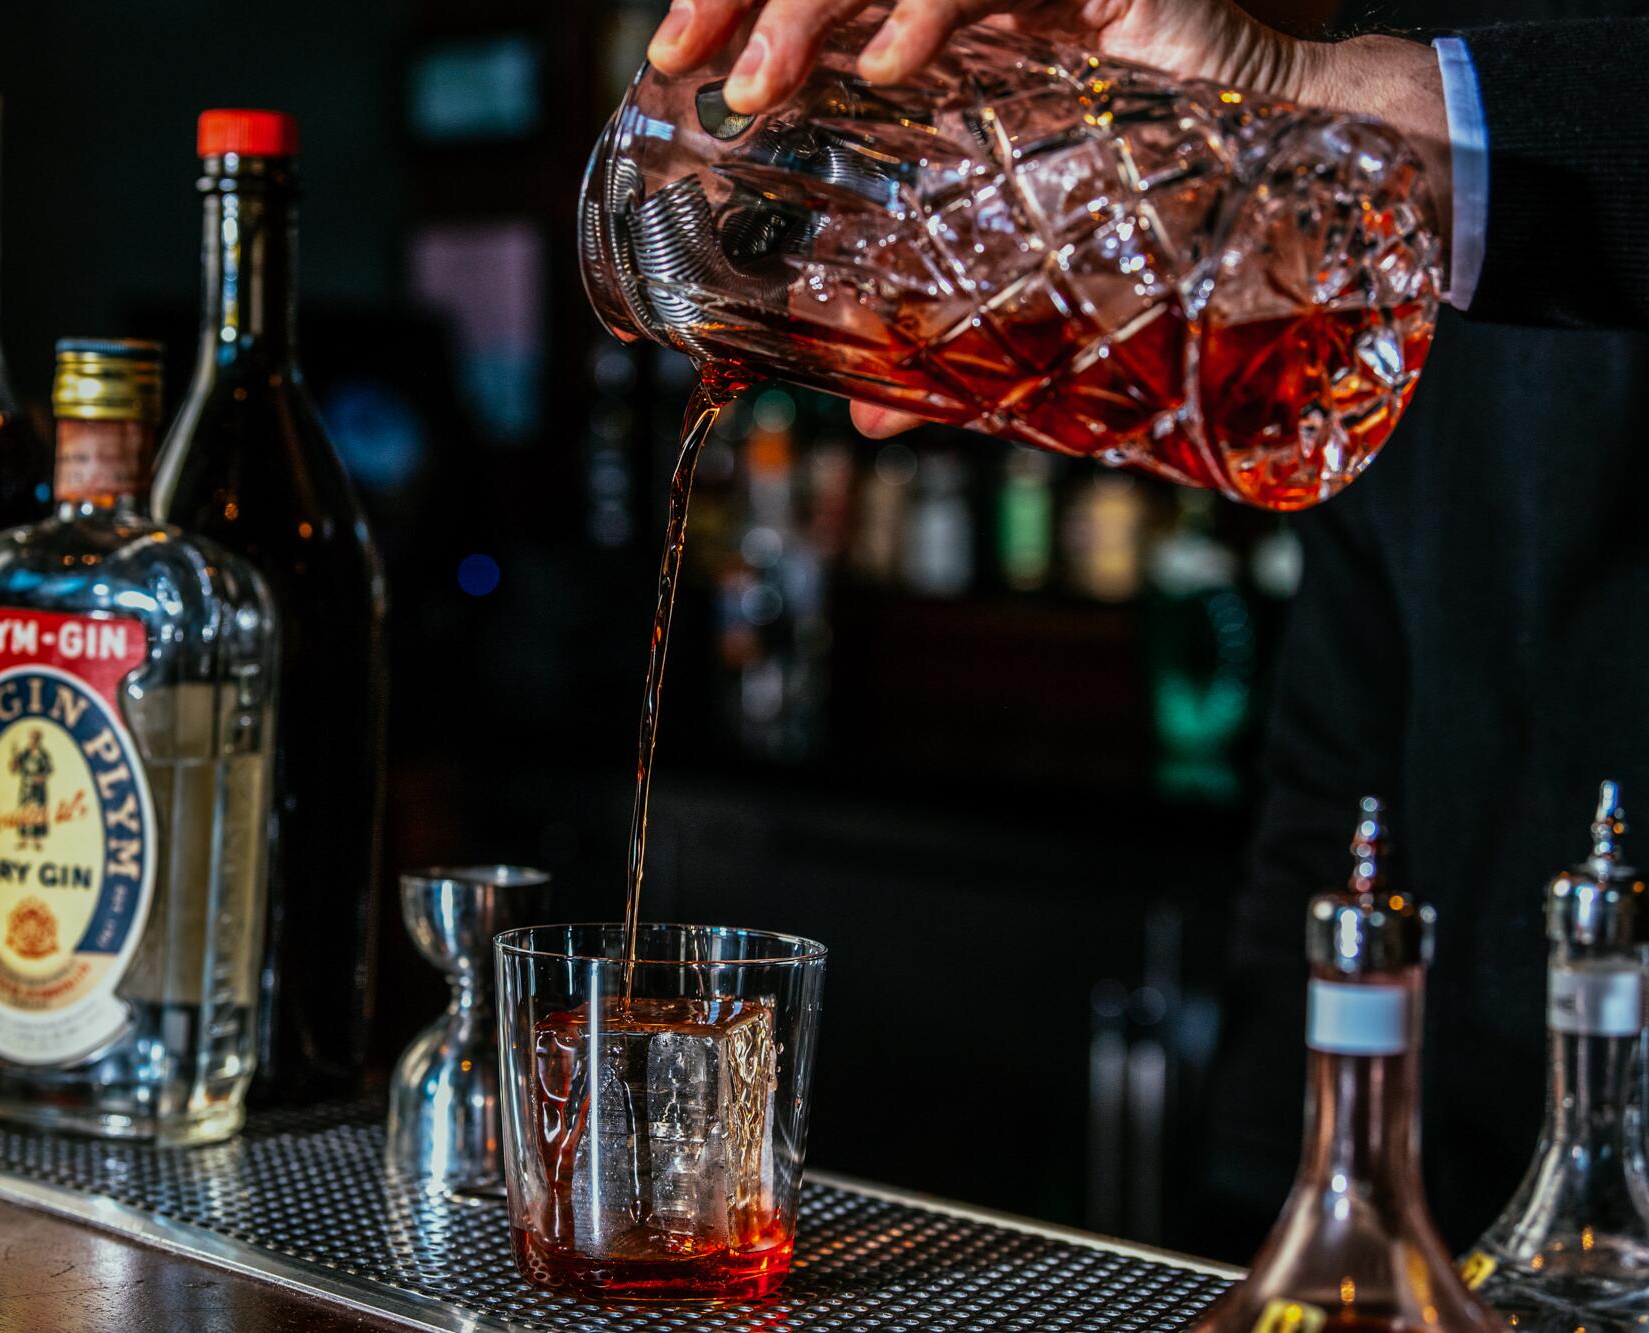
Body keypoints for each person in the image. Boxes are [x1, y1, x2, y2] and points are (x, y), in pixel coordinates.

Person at [648, 0, 1649, 1256]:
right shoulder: (1365, 262)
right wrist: (1255, 1203)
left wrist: (1344, 99)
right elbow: (1339, 771)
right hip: (1467, 1200)